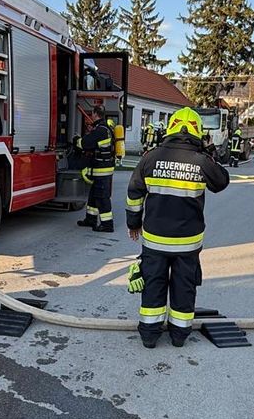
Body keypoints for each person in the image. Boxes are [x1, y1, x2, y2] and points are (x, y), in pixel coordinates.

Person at [125, 107, 230, 348]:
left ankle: (150, 335)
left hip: (154, 240)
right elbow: (221, 181)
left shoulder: (150, 157)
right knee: (184, 286)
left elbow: (134, 194)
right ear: (198, 131)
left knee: (153, 284)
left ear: (170, 127)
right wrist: (209, 152)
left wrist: (133, 223)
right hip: (188, 242)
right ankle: (179, 336)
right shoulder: (202, 160)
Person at [77, 116, 116, 232]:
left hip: (101, 170)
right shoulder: (106, 129)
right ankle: (91, 219)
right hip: (102, 169)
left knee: (102, 198)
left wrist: (76, 140)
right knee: (94, 196)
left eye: (92, 115)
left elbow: (85, 143)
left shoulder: (101, 130)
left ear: (95, 115)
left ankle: (107, 225)